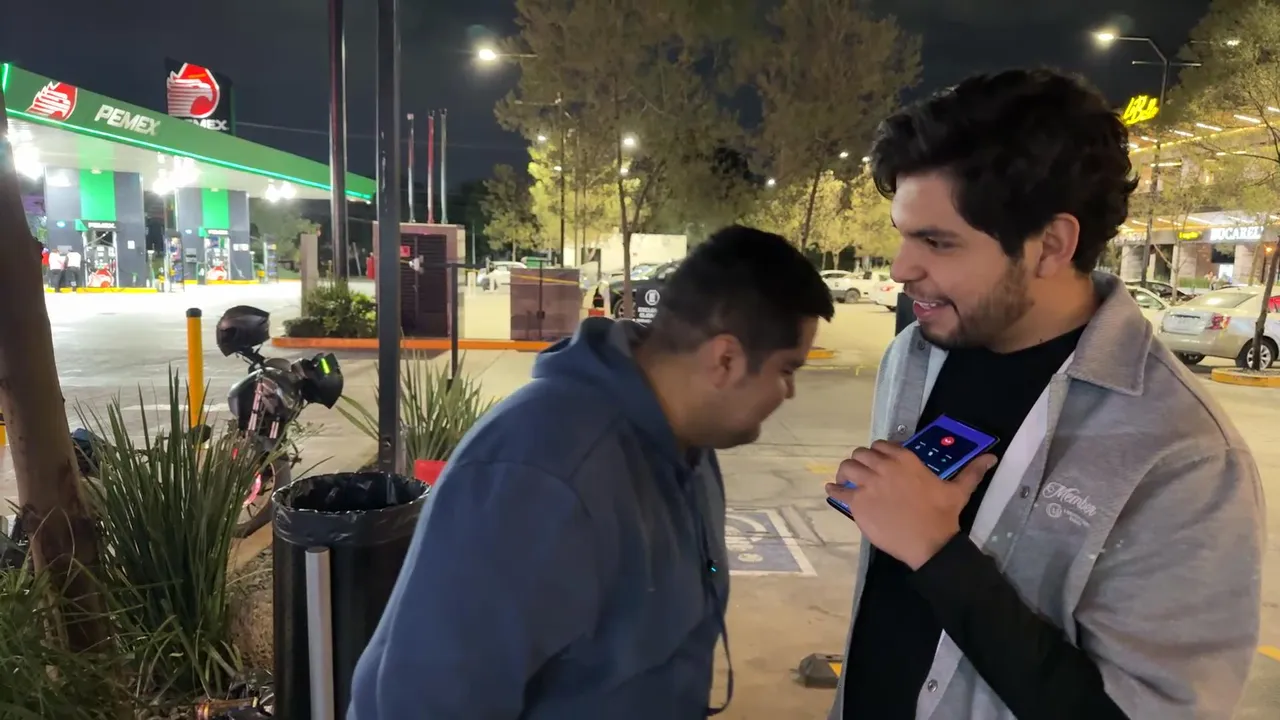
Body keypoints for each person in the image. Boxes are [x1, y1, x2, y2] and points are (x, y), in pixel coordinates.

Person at [825, 68, 1264, 720]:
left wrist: (938, 554)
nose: (901, 267)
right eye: (903, 233)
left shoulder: (1183, 455)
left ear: (1051, 245)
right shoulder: (915, 354)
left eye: (937, 242)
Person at [350, 225, 835, 719]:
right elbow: (423, 702)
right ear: (725, 359)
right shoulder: (544, 473)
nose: (789, 393)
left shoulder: (689, 445)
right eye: (787, 370)